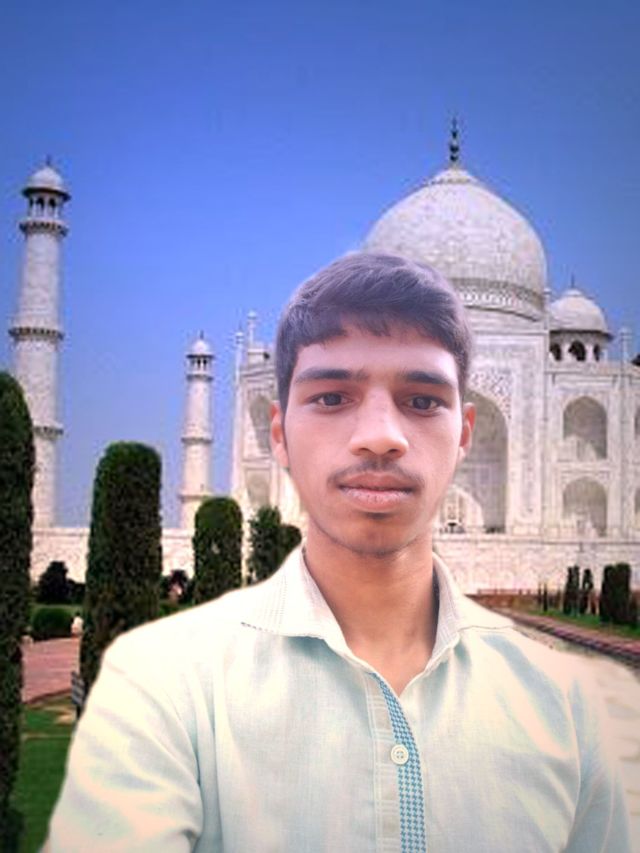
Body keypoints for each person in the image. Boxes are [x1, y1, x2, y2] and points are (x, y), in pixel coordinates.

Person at [47, 253, 631, 852]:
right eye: (332, 398)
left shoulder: (567, 710)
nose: (379, 437)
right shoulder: (164, 687)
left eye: (421, 400)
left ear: (465, 433)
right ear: (279, 433)